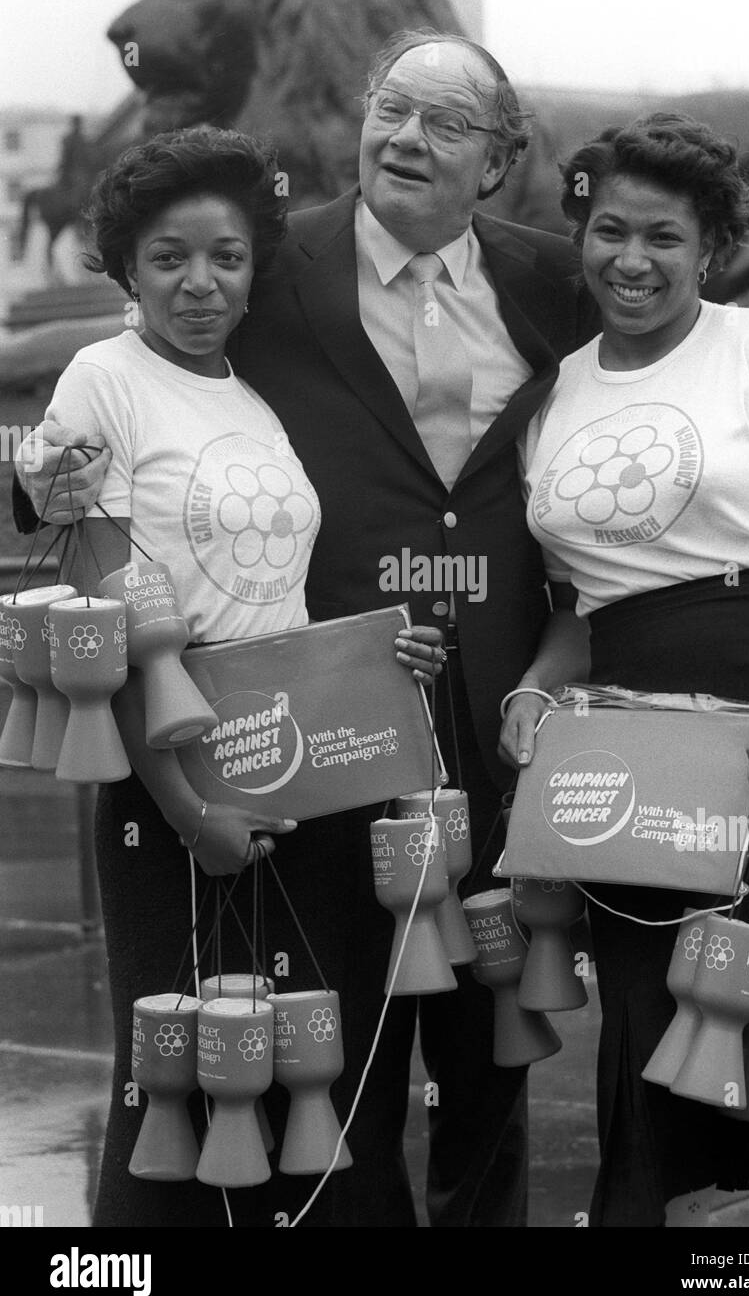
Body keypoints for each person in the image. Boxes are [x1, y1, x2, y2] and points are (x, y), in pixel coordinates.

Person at [15, 33, 749, 1229]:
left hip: (518, 722)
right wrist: (33, 484)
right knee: (320, 1040)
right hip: (313, 726)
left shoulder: (552, 274)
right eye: (390, 110)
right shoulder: (265, 261)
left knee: (495, 1060)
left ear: (497, 163)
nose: (406, 139)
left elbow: (692, 341)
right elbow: (127, 385)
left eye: (444, 125)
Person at [31, 124, 443, 1228]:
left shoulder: (253, 395)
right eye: (168, 257)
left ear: (256, 264)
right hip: (173, 770)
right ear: (125, 266)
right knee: (174, 1069)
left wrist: (381, 663)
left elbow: (282, 600)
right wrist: (184, 804)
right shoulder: (101, 384)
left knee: (300, 1049)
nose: (199, 283)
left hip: (294, 760)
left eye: (224, 255)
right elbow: (105, 625)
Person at [499, 112, 749, 1228]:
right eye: (608, 230)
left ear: (709, 248)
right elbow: (577, 609)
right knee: (649, 1034)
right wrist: (531, 689)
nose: (630, 260)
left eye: (664, 237)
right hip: (627, 736)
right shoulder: (550, 395)